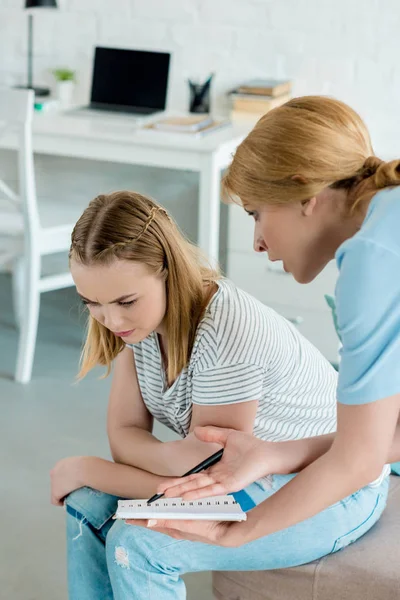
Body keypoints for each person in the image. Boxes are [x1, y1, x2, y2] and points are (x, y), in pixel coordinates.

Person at [51, 183, 388, 600]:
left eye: (125, 300)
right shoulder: (133, 324)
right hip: (246, 476)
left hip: (330, 485)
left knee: (137, 543)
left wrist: (91, 468)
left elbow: (203, 470)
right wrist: (159, 461)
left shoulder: (226, 329)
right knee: (86, 506)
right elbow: (124, 437)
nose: (109, 319)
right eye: (92, 303)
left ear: (168, 272)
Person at [126, 95, 400, 559]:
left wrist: (237, 532)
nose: (256, 242)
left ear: (304, 195)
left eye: (256, 213)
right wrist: (276, 453)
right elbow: (383, 436)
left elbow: (359, 459)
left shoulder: (373, 262)